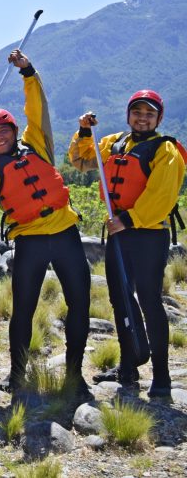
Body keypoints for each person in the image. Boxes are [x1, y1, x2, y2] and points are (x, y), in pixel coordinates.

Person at [0, 50, 90, 397]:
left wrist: (27, 71)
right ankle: (17, 374)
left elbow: (36, 107)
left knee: (79, 303)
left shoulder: (37, 144)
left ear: (14, 131)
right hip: (29, 240)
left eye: (4, 131)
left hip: (64, 233)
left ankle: (75, 374)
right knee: (23, 309)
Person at [68, 90, 186, 398]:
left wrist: (129, 220)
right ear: (128, 114)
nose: (142, 118)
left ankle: (161, 377)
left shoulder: (165, 150)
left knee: (149, 300)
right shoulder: (113, 143)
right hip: (119, 231)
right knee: (120, 299)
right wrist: (83, 131)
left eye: (149, 113)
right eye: (137, 112)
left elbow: (161, 196)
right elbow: (80, 161)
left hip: (146, 233)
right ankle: (129, 366)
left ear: (158, 118)